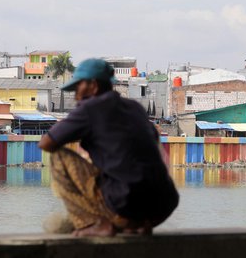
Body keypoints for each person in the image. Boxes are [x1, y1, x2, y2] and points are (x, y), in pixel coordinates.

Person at [38, 58, 179, 237]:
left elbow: (47, 143)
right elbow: (151, 138)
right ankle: (136, 224)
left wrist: (80, 126)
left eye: (78, 88)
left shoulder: (90, 108)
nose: (76, 96)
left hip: (124, 202)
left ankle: (94, 223)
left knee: (58, 156)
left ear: (93, 85)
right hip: (162, 206)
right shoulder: (135, 107)